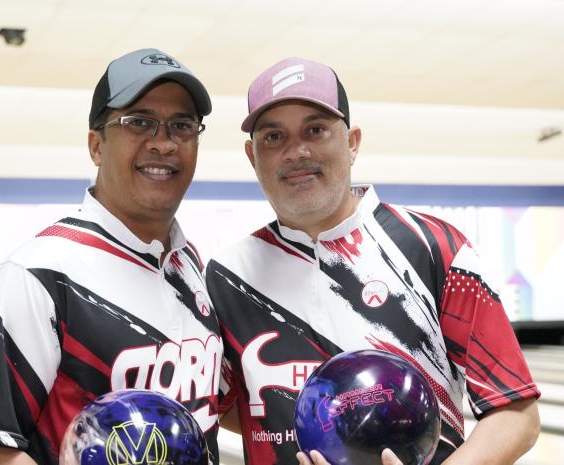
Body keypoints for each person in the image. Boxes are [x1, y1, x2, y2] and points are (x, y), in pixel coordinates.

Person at [206, 57, 540, 465]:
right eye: (274, 137)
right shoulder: (227, 275)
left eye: (316, 129)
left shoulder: (435, 248)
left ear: (352, 143)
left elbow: (516, 411)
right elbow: (220, 405)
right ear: (251, 156)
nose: (296, 150)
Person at [0, 48, 224, 465]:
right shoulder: (37, 276)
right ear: (96, 145)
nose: (164, 142)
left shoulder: (187, 263)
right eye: (139, 122)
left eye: (182, 125)